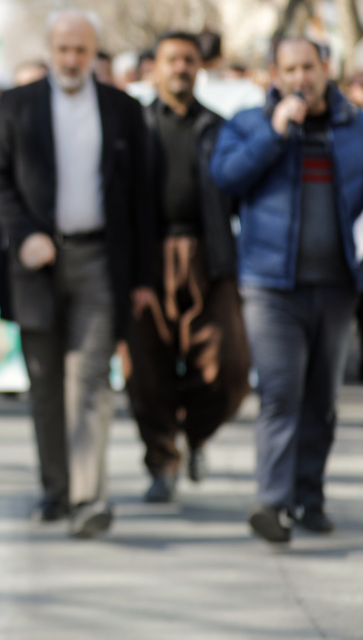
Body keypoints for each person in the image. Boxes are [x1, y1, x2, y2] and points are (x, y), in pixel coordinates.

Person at [0, 9, 154, 538]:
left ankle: (89, 497)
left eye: (82, 50)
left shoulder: (123, 110)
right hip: (36, 265)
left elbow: (141, 195)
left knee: (91, 380)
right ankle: (56, 489)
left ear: (95, 53)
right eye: (63, 50)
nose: (72, 60)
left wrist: (143, 276)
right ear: (51, 50)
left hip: (100, 262)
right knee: (46, 383)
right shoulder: (18, 105)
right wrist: (24, 232)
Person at [210, 36, 363, 543]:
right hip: (270, 286)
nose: (301, 78)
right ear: (274, 75)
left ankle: (309, 498)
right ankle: (272, 503)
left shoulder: (355, 128)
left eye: (309, 67)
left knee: (321, 399)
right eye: (289, 69)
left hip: (338, 286)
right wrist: (274, 138)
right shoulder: (251, 125)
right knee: (280, 394)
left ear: (327, 68)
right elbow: (226, 176)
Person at [127, 32, 250, 504]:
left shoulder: (220, 128)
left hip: (211, 257)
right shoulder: (136, 126)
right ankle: (162, 463)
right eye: (172, 59)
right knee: (146, 370)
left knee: (230, 367)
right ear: (154, 67)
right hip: (147, 259)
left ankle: (196, 435)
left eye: (189, 60)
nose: (181, 67)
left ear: (200, 67)